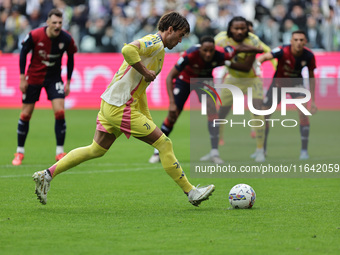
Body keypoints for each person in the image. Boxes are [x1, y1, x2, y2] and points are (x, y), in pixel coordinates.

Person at [32, 12, 215, 207]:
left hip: (112, 104)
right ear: (170, 29)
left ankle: (47, 175)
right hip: (121, 107)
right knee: (164, 144)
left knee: (96, 149)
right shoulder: (153, 41)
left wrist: (147, 116)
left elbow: (141, 89)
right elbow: (127, 50)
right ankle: (191, 192)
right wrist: (145, 71)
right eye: (180, 35)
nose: (180, 40)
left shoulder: (159, 50)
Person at [148, 35, 264, 164]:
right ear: (200, 49)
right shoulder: (190, 54)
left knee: (212, 112)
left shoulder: (222, 54)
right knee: (173, 115)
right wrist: (171, 103)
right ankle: (157, 151)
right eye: (205, 51)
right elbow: (169, 77)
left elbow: (238, 47)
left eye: (211, 51)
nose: (208, 54)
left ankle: (214, 152)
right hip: (185, 80)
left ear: (215, 49)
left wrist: (256, 49)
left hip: (205, 82)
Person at [12, 9, 77, 166]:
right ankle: (19, 151)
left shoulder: (66, 38)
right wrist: (22, 78)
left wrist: (68, 81)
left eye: (60, 23)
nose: (57, 26)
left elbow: (70, 59)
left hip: (54, 78)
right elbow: (23, 53)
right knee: (26, 114)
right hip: (34, 77)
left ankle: (60, 152)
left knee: (60, 112)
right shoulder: (35, 35)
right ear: (47, 22)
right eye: (54, 22)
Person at [257, 30, 317, 160]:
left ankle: (304, 151)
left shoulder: (309, 56)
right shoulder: (282, 51)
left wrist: (313, 101)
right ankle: (262, 150)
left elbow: (312, 78)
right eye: (296, 40)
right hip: (278, 85)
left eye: (301, 40)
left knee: (303, 113)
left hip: (296, 85)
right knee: (264, 116)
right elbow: (264, 57)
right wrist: (258, 65)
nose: (299, 43)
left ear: (305, 42)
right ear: (291, 41)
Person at [214, 16, 266, 162]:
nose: (239, 31)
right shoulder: (220, 39)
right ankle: (215, 148)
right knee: (221, 114)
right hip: (232, 79)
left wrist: (224, 61)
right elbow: (210, 50)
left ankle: (260, 150)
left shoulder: (253, 41)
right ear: (230, 29)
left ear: (247, 29)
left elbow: (246, 67)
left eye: (242, 28)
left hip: (252, 79)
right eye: (236, 28)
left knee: (257, 111)